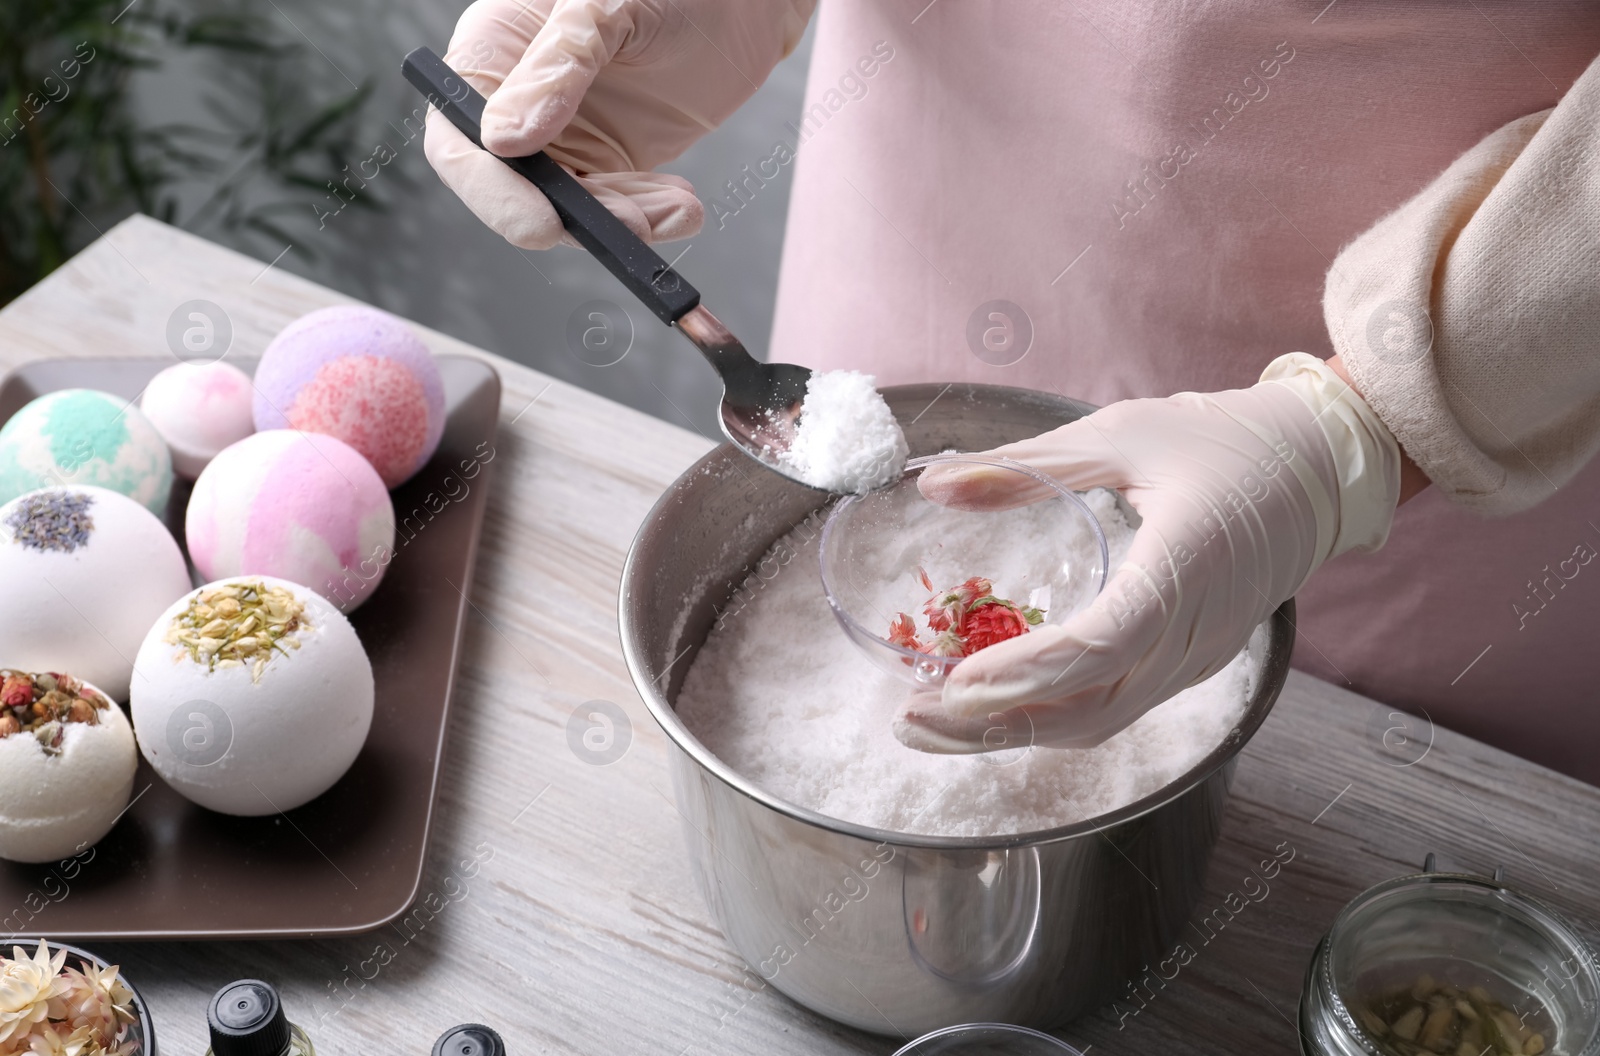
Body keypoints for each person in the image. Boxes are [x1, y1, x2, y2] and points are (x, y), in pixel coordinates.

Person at [425, 2, 1600, 778]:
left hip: (1500, 337)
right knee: (891, 527)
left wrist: (1358, 430)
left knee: (1396, 815)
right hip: (932, 194)